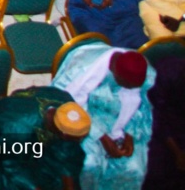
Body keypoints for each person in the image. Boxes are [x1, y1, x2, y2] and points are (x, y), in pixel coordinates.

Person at [52, 45, 155, 190]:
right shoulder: (82, 69)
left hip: (124, 124)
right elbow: (61, 103)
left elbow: (144, 107)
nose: (130, 90)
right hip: (83, 121)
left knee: (135, 168)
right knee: (89, 164)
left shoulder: (145, 72)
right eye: (127, 85)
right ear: (116, 75)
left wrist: (130, 135)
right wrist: (101, 136)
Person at [0, 87, 90, 190]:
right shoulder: (18, 129)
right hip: (0, 150)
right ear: (63, 134)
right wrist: (34, 187)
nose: (81, 140)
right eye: (78, 139)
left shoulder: (66, 103)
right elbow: (8, 165)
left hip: (30, 144)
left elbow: (70, 151)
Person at [144, 56, 185, 189]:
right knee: (157, 168)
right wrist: (177, 152)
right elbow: (155, 112)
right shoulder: (167, 70)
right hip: (158, 125)